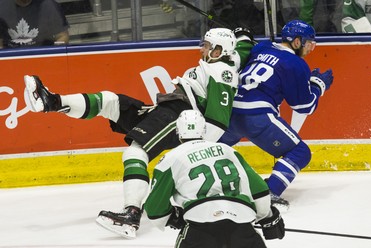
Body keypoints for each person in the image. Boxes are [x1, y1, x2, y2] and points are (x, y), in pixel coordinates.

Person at [23, 27, 255, 239]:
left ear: (218, 50)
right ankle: (51, 101)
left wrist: (196, 148)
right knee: (111, 102)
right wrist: (245, 36)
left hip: (178, 114)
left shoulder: (222, 72)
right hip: (167, 108)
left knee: (135, 152)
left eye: (206, 45)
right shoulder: (228, 58)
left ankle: (131, 215)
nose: (201, 49)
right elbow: (241, 51)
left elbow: (217, 121)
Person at [219, 20, 334, 208]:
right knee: (300, 152)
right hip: (258, 117)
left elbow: (249, 49)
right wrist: (318, 85)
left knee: (211, 149)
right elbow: (305, 106)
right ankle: (269, 192)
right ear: (297, 42)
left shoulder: (261, 48)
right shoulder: (296, 64)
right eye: (308, 43)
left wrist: (243, 36)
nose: (311, 48)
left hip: (231, 113)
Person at [144, 109, 285, 248]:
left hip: (199, 228)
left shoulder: (170, 159)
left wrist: (173, 217)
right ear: (204, 129)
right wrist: (267, 216)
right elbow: (260, 189)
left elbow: (155, 209)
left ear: (177, 131)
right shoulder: (227, 150)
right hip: (241, 224)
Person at [0, 0, 69, 48]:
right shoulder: (1, 7)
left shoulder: (49, 5)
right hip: (11, 60)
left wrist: (52, 56)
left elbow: (62, 36)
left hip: (44, 58)